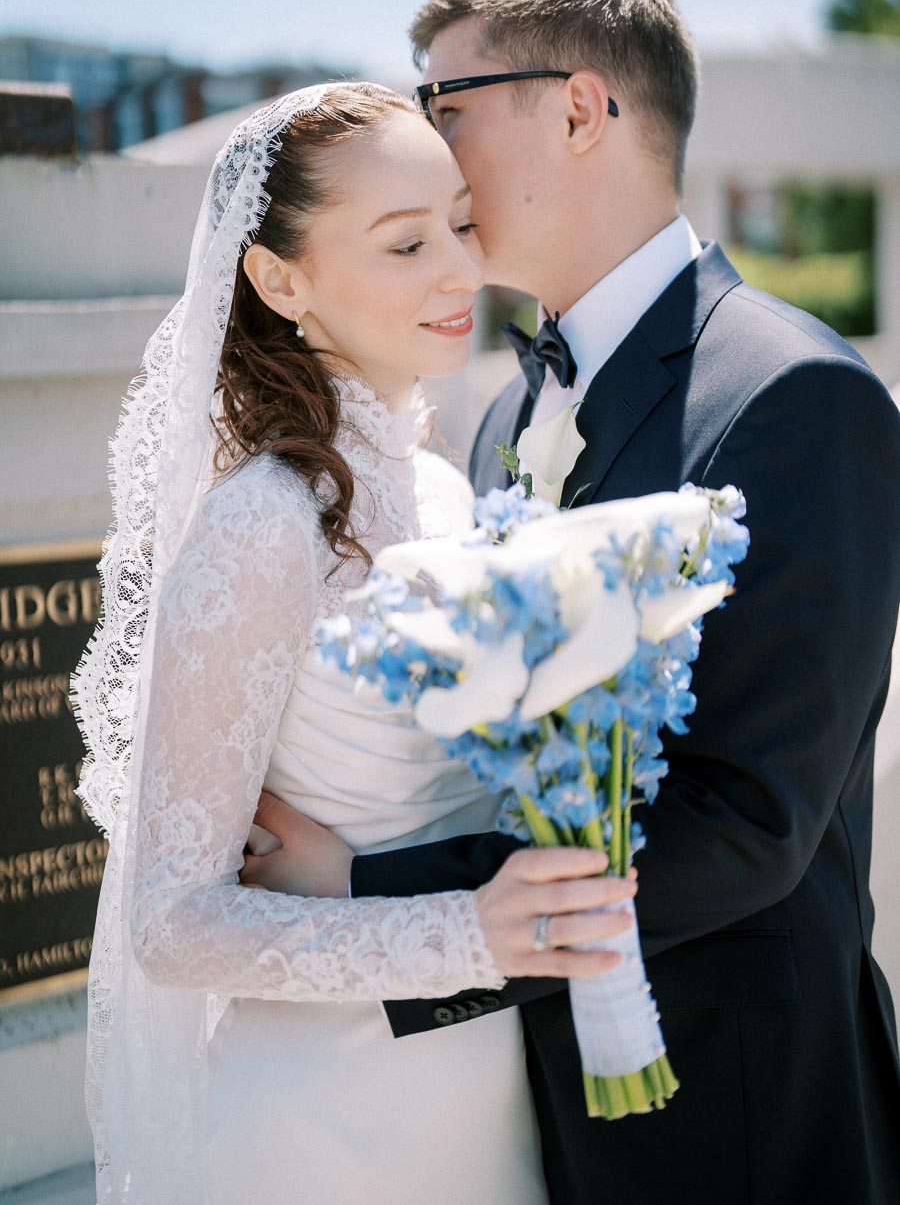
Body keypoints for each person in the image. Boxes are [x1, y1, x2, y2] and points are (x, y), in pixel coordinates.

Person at [244, 0, 900, 1204]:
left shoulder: (794, 396)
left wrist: (368, 895)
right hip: (529, 1102)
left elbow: (749, 827)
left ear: (583, 109)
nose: (430, 150)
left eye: (448, 105)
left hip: (738, 1110)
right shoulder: (499, 413)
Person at [70, 80, 642, 1205]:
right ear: (279, 279)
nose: (461, 272)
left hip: (485, 1085)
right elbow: (172, 926)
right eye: (404, 244)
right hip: (324, 1124)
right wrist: (470, 934)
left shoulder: (441, 483)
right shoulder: (260, 523)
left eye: (462, 226)